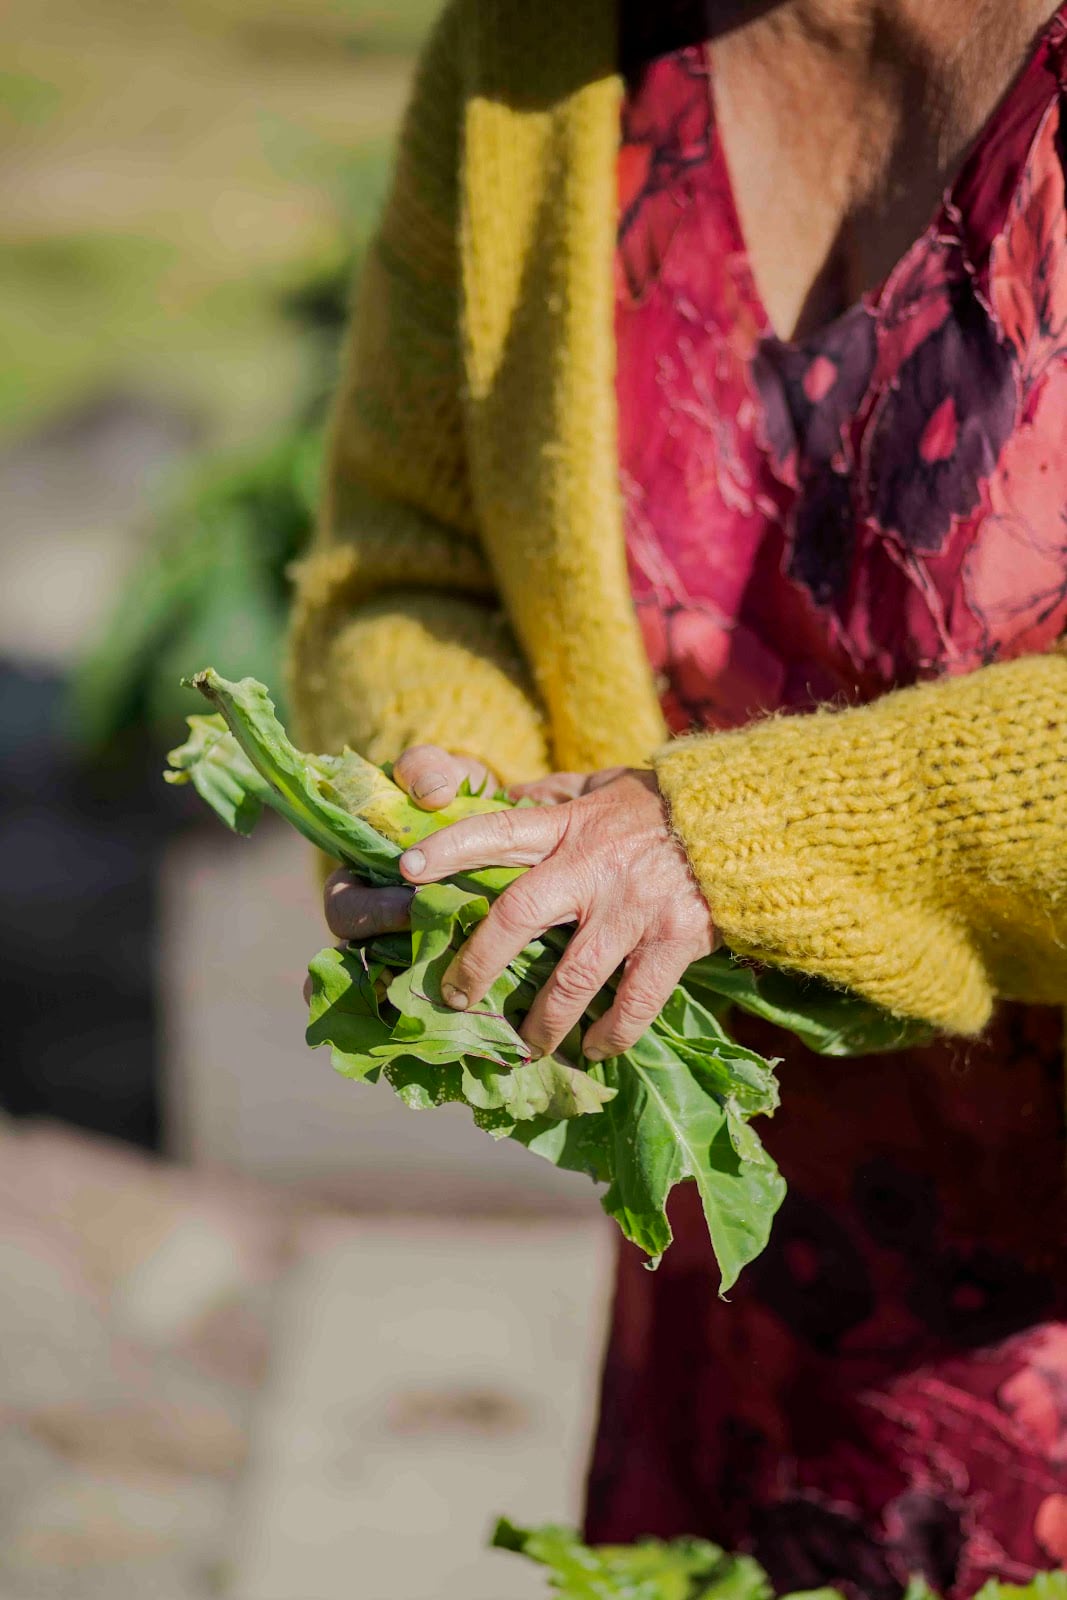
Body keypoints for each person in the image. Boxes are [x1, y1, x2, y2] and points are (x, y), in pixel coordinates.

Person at [287, 0, 1067, 1591]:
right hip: (739, 1330)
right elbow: (408, 554)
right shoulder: (536, 55)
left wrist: (730, 836)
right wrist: (457, 784)